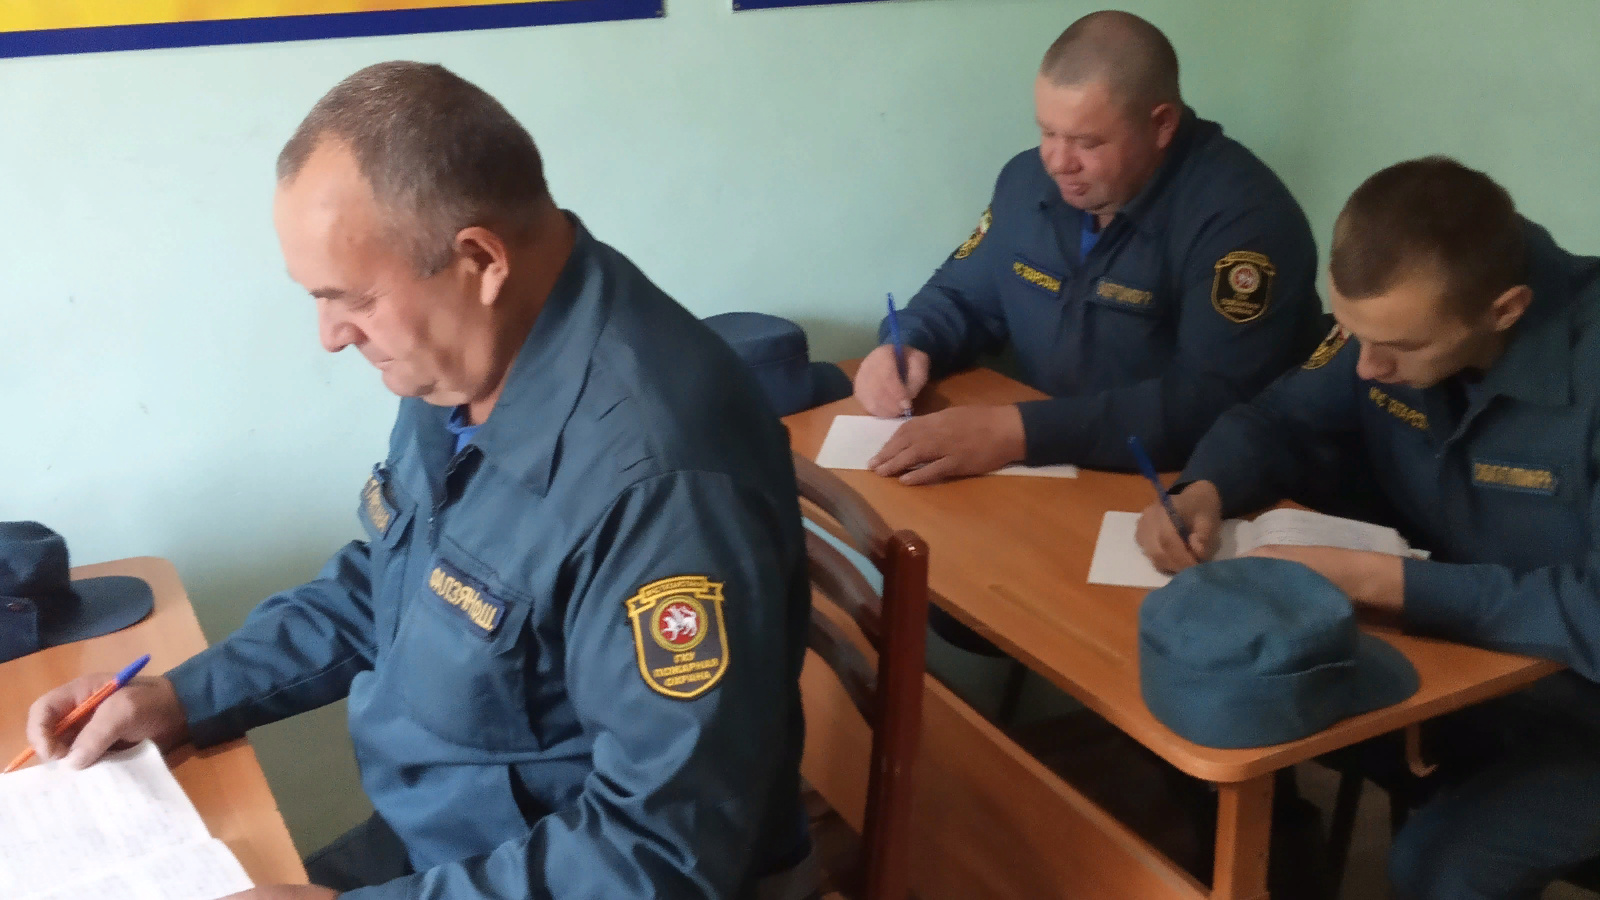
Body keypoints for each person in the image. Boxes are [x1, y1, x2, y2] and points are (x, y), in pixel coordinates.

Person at [24, 62, 815, 900]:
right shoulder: (467, 355)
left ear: (479, 258)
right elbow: (391, 579)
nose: (331, 335)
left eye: (352, 299)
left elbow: (659, 855)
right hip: (449, 843)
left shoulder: (659, 483)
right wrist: (184, 698)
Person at [1137, 156, 1600, 900]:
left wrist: (1388, 583)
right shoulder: (1389, 328)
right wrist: (1204, 487)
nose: (1366, 367)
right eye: (1352, 334)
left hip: (1583, 711)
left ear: (1505, 309)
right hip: (1468, 667)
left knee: (1439, 868)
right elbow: (1279, 417)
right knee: (1219, 707)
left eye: (1401, 348)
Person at [854, 9, 1323, 485]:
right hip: (1051, 467)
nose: (1058, 162)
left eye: (1087, 142)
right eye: (1047, 132)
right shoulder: (1026, 183)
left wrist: (1014, 432)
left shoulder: (1244, 221)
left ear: (1162, 125)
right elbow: (962, 296)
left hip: (1181, 486)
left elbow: (1209, 405)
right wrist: (908, 343)